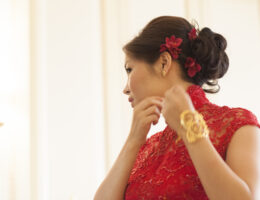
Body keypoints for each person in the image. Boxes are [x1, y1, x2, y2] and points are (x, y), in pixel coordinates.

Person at [94, 16, 260, 199]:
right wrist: (133, 140)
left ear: (164, 63)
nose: (125, 89)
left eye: (129, 69)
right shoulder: (149, 147)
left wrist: (189, 126)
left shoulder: (237, 124)